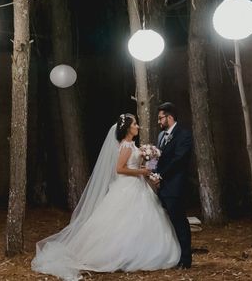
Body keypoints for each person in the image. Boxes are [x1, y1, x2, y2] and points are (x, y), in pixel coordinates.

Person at [31, 114, 180, 281]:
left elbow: (142, 167)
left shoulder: (134, 146)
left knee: (142, 221)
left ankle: (135, 253)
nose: (138, 127)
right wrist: (142, 171)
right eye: (135, 124)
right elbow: (120, 169)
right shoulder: (125, 146)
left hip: (139, 186)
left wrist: (151, 164)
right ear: (127, 128)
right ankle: (120, 255)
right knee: (122, 223)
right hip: (126, 188)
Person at [152, 101, 193, 269]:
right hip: (161, 187)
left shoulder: (184, 135)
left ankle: (185, 259)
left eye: (161, 118)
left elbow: (178, 160)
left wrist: (160, 175)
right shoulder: (161, 136)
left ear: (169, 117)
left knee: (179, 222)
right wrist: (151, 172)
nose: (159, 121)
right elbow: (157, 160)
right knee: (165, 223)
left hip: (175, 186)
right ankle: (171, 256)